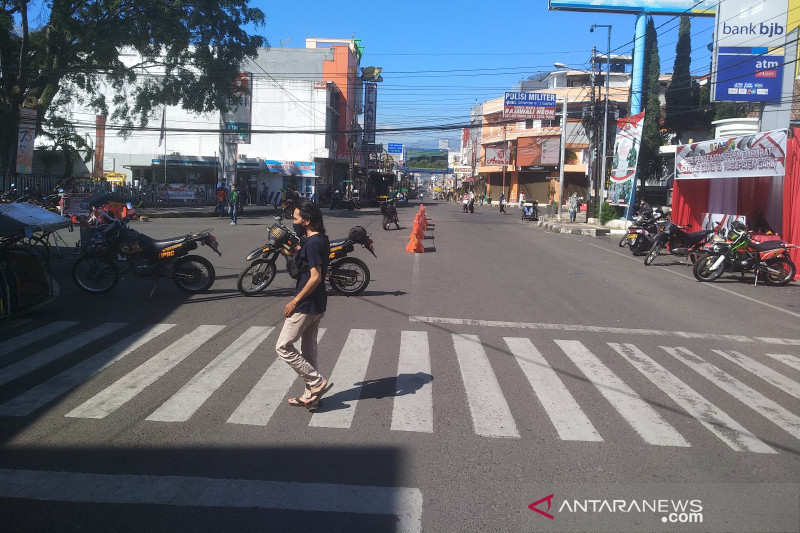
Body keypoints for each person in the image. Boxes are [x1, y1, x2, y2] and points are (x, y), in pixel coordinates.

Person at [275, 199, 333, 408]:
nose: (294, 221)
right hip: (317, 303)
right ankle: (312, 397)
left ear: (307, 221)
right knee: (308, 352)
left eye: (296, 218)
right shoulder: (318, 239)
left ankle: (317, 382)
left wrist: (294, 301)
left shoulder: (314, 243)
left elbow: (315, 277)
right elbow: (306, 264)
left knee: (283, 346)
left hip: (306, 304)